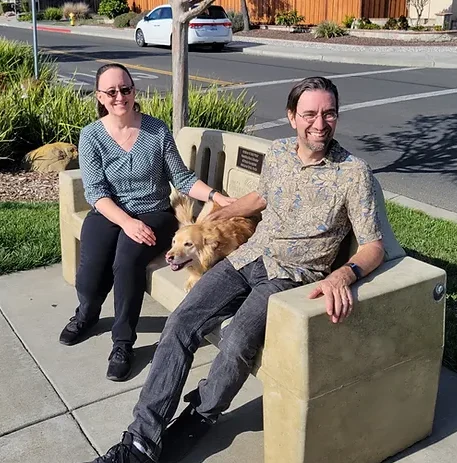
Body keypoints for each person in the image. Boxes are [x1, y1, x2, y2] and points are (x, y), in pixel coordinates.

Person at [86, 76, 385, 463]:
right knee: (181, 322)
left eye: (329, 113)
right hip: (247, 258)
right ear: (292, 117)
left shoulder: (353, 173)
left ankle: (200, 415)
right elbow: (261, 197)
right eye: (309, 113)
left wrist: (344, 274)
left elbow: (373, 244)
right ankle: (140, 441)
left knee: (237, 343)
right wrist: (214, 214)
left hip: (290, 276)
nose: (319, 123)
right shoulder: (278, 153)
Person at [59, 63, 234, 382]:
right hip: (110, 212)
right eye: (111, 91)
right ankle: (87, 312)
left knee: (126, 262)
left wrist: (215, 197)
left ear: (133, 90)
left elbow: (181, 178)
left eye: (125, 89)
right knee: (91, 272)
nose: (119, 96)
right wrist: (126, 221)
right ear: (99, 96)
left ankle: (122, 342)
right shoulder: (91, 136)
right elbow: (96, 192)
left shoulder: (156, 130)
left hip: (154, 213)